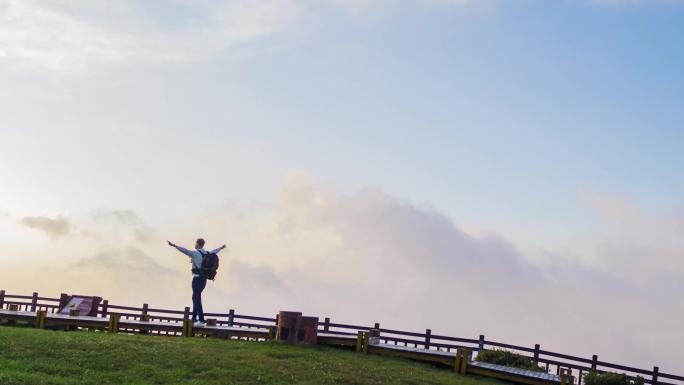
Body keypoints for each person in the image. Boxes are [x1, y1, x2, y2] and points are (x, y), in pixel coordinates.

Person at [167, 238, 226, 327]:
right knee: (196, 297)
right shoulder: (207, 253)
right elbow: (215, 251)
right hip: (204, 279)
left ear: (198, 244)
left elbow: (185, 251)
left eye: (195, 243)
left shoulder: (195, 253)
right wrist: (220, 248)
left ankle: (201, 320)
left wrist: (175, 246)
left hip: (197, 278)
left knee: (196, 298)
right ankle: (194, 319)